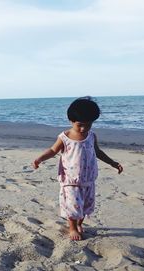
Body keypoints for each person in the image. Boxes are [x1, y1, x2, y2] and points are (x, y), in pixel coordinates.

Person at [32, 97, 123, 241]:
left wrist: (112, 163)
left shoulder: (91, 136)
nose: (83, 129)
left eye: (88, 125)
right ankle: (72, 227)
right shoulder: (65, 137)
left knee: (86, 205)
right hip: (71, 179)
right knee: (73, 205)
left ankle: (80, 223)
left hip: (88, 179)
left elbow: (98, 152)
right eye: (80, 125)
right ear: (71, 120)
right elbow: (52, 150)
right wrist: (40, 159)